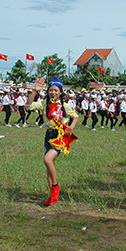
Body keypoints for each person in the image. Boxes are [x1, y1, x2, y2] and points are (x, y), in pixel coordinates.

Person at [26, 77, 78, 206]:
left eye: (56, 90)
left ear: (60, 92)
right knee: (49, 166)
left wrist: (71, 127)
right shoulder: (44, 104)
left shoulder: (65, 106)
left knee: (47, 160)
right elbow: (28, 106)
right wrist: (34, 92)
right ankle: (52, 196)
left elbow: (75, 116)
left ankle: (55, 187)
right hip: (48, 136)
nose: (53, 93)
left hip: (60, 137)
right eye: (51, 90)